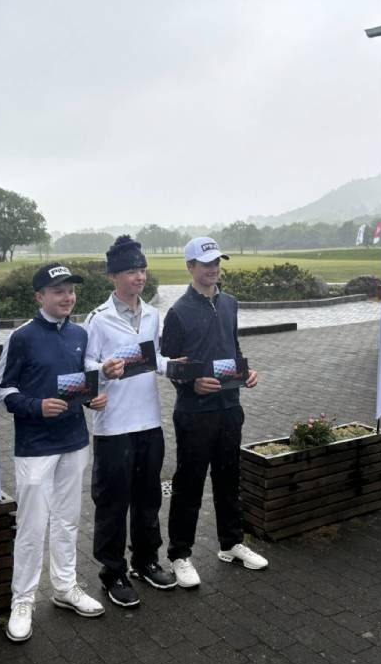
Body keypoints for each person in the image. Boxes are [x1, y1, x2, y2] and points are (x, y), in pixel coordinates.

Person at [0, 262, 108, 642]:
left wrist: (91, 399)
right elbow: (2, 390)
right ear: (39, 296)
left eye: (71, 290)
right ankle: (23, 599)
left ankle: (64, 587)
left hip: (74, 441)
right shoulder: (22, 337)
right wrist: (36, 406)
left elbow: (79, 384)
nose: (67, 297)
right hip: (36, 447)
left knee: (67, 520)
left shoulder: (79, 333)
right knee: (32, 525)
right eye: (58, 291)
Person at [161, 236, 268, 588]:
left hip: (229, 407)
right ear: (190, 267)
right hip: (194, 412)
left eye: (216, 262)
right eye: (205, 264)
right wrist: (190, 384)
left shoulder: (230, 303)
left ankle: (231, 543)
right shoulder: (178, 312)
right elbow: (170, 365)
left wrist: (245, 371)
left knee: (229, 478)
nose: (213, 269)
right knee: (189, 485)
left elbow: (232, 347)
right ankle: (179, 555)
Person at [85, 235, 177, 607]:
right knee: (112, 504)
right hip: (113, 427)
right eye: (130, 271)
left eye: (142, 270)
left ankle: (145, 561)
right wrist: (102, 370)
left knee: (148, 498)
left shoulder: (152, 314)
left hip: (149, 422)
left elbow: (155, 357)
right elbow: (84, 364)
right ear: (113, 276)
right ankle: (113, 573)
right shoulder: (97, 319)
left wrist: (176, 367)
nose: (139, 277)